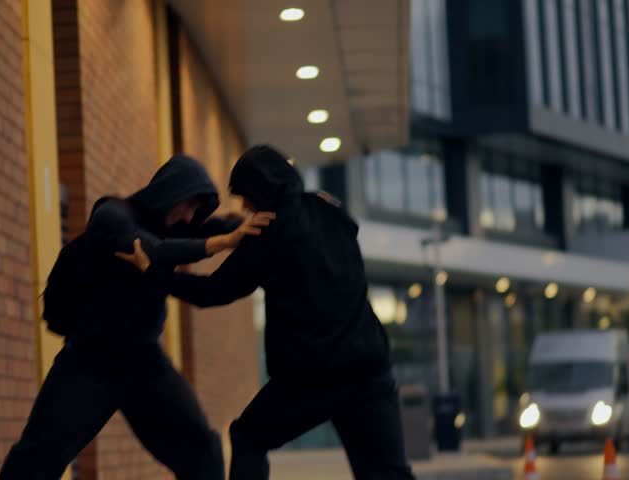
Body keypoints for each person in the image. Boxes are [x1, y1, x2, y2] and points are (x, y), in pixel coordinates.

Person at [119, 145, 416, 480]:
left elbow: (212, 292)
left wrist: (154, 273)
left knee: (249, 437)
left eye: (246, 196)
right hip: (369, 368)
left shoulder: (269, 232)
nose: (246, 206)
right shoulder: (328, 208)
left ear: (261, 189)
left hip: (313, 378)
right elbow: (344, 229)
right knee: (388, 474)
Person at [0, 155, 274, 480]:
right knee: (37, 456)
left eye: (196, 210)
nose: (189, 216)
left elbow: (225, 225)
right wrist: (225, 242)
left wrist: (295, 210)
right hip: (89, 362)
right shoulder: (112, 215)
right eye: (187, 204)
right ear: (170, 191)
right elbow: (151, 251)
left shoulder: (178, 225)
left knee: (203, 448)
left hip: (144, 362)